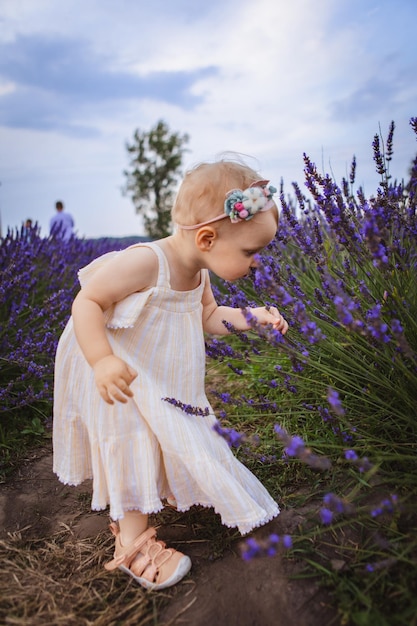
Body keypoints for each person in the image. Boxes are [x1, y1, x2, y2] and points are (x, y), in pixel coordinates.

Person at [53, 158, 289, 591]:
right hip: (112, 366)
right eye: (251, 252)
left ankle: (148, 500)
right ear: (206, 237)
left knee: (166, 427)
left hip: (157, 372)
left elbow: (210, 316)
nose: (258, 263)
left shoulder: (198, 271)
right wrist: (103, 360)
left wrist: (252, 318)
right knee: (131, 438)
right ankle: (131, 545)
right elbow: (86, 303)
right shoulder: (146, 262)